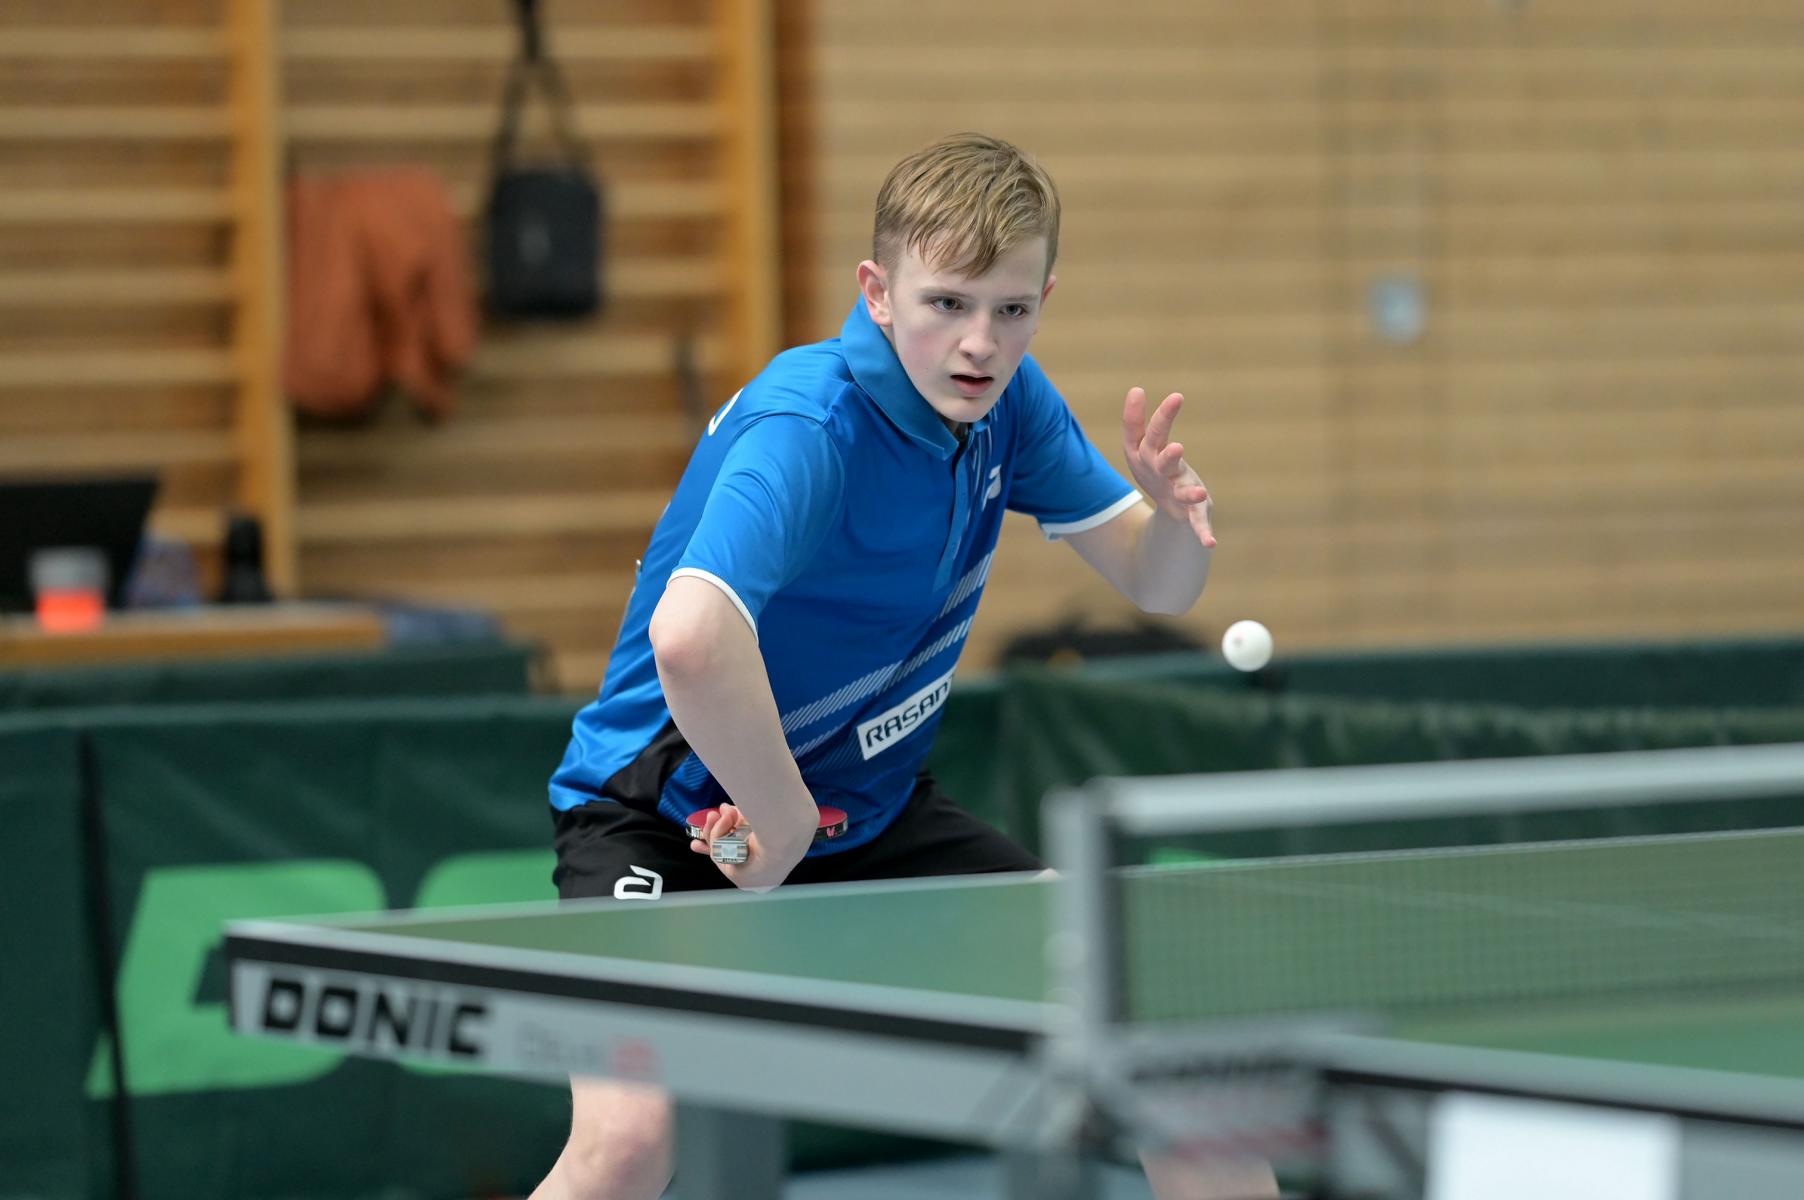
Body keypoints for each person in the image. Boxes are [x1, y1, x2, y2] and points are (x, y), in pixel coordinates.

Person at [532, 132, 1273, 1200]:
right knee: (625, 1147)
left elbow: (1158, 587)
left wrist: (1168, 520)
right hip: (668, 816)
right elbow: (689, 638)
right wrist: (780, 819)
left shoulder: (1008, 407)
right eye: (947, 304)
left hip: (866, 818)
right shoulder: (809, 427)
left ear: (1043, 300)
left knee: (1172, 1059)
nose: (979, 343)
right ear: (876, 293)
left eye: (1010, 310)